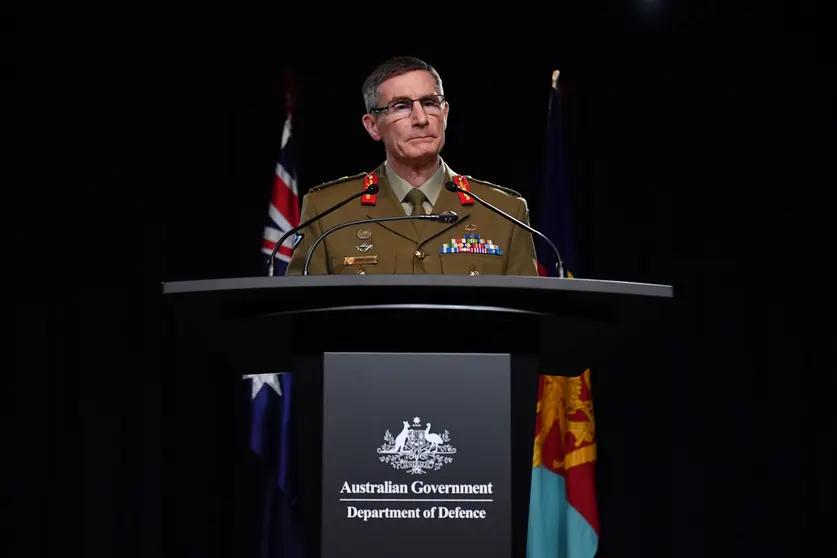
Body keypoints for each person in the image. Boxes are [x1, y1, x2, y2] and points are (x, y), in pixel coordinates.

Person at [285, 56, 539, 276]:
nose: (420, 119)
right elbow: (301, 317)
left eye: (429, 103)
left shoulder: (504, 213)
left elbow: (527, 320)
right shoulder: (327, 212)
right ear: (372, 126)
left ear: (445, 114)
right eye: (402, 106)